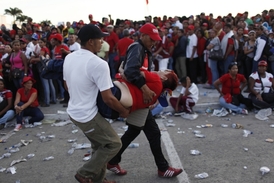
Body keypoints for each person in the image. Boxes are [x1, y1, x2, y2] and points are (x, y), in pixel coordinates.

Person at [107, 23, 183, 178]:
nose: (154, 42)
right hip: (136, 95)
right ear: (143, 36)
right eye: (152, 39)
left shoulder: (146, 51)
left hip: (138, 97)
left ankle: (113, 160)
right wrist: (145, 88)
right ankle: (162, 168)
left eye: (156, 39)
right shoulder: (137, 48)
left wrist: (151, 80)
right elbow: (131, 71)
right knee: (153, 133)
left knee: (135, 131)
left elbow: (131, 71)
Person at [63, 24, 130, 183]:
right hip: (86, 115)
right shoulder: (98, 63)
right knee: (113, 144)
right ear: (91, 41)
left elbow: (66, 85)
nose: (103, 41)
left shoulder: (70, 57)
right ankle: (85, 173)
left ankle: (99, 179)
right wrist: (123, 111)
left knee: (99, 145)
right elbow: (108, 98)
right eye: (100, 39)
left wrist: (81, 95)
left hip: (74, 110)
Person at [97, 70, 178, 119]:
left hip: (112, 96)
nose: (160, 70)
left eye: (164, 71)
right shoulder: (154, 97)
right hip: (112, 112)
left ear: (164, 78)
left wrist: (121, 69)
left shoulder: (156, 79)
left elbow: (131, 73)